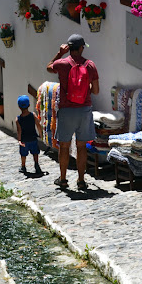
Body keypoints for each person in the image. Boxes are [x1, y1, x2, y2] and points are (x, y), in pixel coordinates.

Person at [47, 34, 99, 190]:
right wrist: (85, 89)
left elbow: (49, 66)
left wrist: (60, 53)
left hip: (67, 110)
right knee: (81, 146)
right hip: (84, 109)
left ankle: (63, 180)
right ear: (82, 48)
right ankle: (81, 180)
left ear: (69, 48)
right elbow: (95, 91)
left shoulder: (62, 64)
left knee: (64, 146)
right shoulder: (90, 65)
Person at [16, 95, 43, 175]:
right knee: (35, 152)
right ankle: (37, 165)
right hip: (33, 138)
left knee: (23, 154)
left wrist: (19, 140)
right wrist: (40, 134)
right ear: (29, 105)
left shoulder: (18, 119)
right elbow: (38, 125)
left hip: (24, 140)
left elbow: (19, 131)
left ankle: (23, 166)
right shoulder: (33, 115)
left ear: (19, 107)